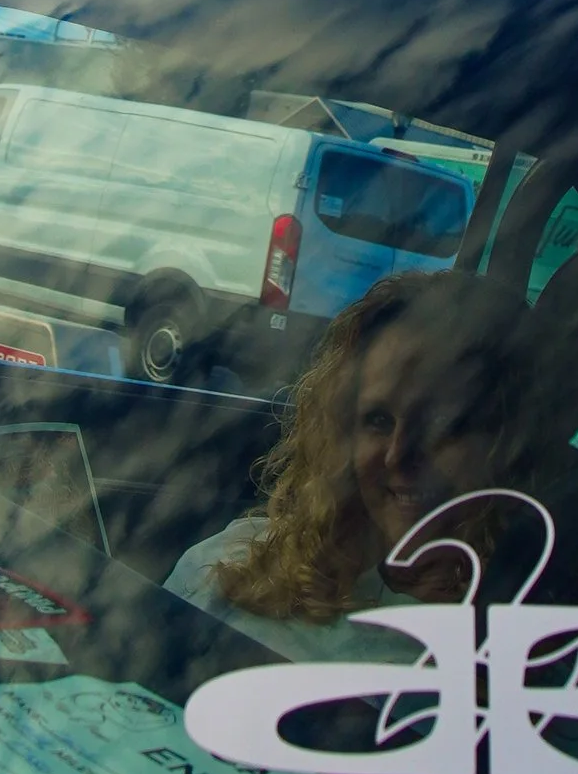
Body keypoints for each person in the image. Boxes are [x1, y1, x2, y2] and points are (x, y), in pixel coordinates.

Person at [167, 268, 527, 655]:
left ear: (508, 443)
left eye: (443, 427)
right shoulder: (233, 558)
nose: (398, 454)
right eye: (377, 420)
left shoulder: (531, 649)